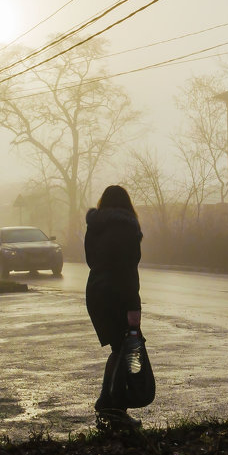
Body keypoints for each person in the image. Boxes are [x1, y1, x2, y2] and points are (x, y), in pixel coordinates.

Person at [84, 184, 143, 429]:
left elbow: (90, 260)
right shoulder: (128, 227)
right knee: (127, 347)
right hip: (119, 293)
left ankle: (108, 403)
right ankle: (115, 408)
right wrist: (133, 306)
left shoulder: (95, 225)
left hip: (96, 291)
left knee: (118, 348)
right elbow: (127, 270)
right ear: (127, 204)